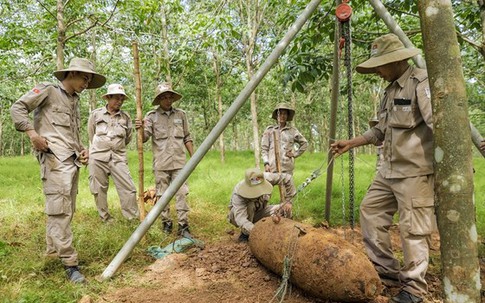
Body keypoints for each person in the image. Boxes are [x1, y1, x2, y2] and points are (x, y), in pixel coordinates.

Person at [330, 34, 434, 303]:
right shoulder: (389, 91)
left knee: (412, 230)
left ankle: (414, 289)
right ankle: (386, 271)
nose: (377, 70)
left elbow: (441, 124)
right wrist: (350, 143)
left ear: (398, 60)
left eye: (380, 65)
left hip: (414, 171)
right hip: (388, 170)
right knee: (371, 211)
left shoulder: (420, 82)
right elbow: (380, 130)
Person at [10, 58, 106, 283]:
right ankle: (70, 264)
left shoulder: (74, 100)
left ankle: (53, 251)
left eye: (89, 79)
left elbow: (70, 131)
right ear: (71, 74)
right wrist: (33, 135)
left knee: (65, 209)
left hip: (70, 159)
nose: (86, 82)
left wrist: (81, 149)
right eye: (85, 77)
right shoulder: (48, 91)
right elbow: (18, 107)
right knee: (60, 211)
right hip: (54, 159)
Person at [135, 82, 194, 237]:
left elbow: (187, 137)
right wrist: (140, 128)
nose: (168, 100)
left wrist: (193, 156)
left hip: (179, 162)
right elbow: (144, 138)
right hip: (161, 163)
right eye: (164, 98)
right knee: (162, 194)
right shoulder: (151, 117)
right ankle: (166, 222)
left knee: (182, 192)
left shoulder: (181, 115)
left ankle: (183, 225)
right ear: (159, 99)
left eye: (170, 97)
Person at [87, 84, 139, 223]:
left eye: (122, 99)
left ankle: (132, 219)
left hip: (118, 157)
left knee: (128, 188)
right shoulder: (96, 114)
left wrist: (115, 146)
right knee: (98, 189)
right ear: (108, 98)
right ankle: (105, 218)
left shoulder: (126, 117)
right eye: (116, 98)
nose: (119, 102)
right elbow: (91, 134)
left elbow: (128, 138)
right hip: (98, 157)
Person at [228, 168, 295, 242]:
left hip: (259, 211)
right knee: (250, 206)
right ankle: (245, 235)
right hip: (239, 216)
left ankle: (284, 233)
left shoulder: (267, 177)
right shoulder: (238, 194)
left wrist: (289, 201)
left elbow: (288, 178)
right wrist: (258, 231)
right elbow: (241, 219)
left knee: (283, 209)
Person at [261, 102, 308, 175]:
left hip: (287, 168)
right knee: (267, 185)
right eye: (280, 114)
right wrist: (266, 163)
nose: (282, 116)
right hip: (271, 167)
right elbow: (264, 149)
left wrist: (295, 154)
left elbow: (304, 143)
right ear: (276, 116)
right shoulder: (269, 130)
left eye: (285, 114)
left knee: (288, 186)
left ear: (287, 116)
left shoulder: (292, 131)